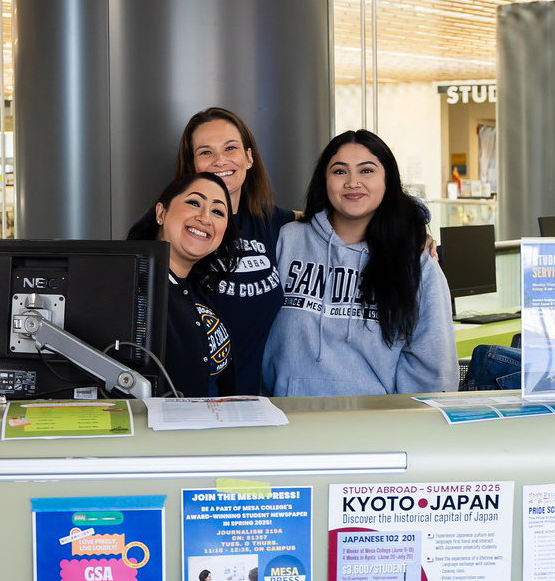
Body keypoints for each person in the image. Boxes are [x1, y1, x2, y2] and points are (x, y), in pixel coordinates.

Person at [261, 130, 458, 397]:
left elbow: (433, 365)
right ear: (325, 180)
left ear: (387, 179)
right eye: (340, 171)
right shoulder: (289, 239)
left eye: (367, 171)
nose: (353, 182)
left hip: (376, 429)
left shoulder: (414, 259)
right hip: (289, 420)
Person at [174, 108, 297, 395]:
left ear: (249, 158)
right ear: (192, 165)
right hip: (196, 403)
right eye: (206, 152)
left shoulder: (269, 219)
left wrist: (411, 225)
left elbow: (335, 219)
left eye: (230, 148)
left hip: (256, 401)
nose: (220, 160)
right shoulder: (181, 225)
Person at [127, 172, 237, 397]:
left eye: (217, 211)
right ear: (161, 212)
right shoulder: (129, 287)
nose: (205, 218)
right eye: (194, 202)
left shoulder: (200, 289)